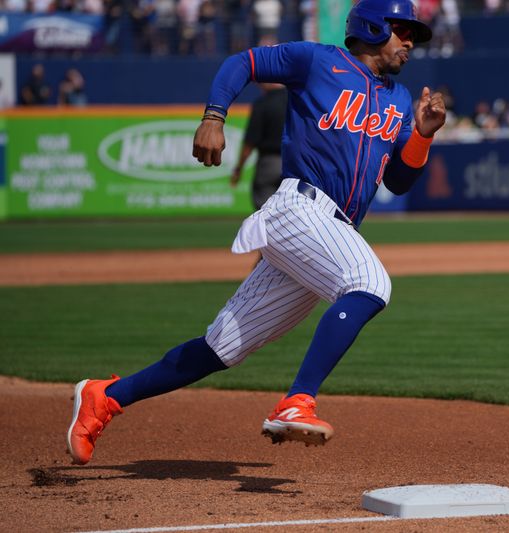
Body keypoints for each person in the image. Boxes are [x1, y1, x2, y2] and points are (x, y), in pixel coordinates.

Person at [66, 0, 446, 465]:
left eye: (413, 35)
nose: (409, 42)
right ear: (370, 25)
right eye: (402, 30)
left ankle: (105, 396)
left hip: (328, 229)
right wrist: (214, 116)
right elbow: (241, 63)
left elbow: (398, 182)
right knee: (370, 283)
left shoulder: (400, 100)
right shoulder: (316, 60)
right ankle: (298, 399)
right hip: (299, 206)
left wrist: (423, 135)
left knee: (222, 346)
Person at [231, 82, 288, 210]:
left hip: (269, 163)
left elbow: (250, 142)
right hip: (294, 163)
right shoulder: (297, 101)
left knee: (265, 214)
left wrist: (239, 168)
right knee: (291, 212)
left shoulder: (263, 103)